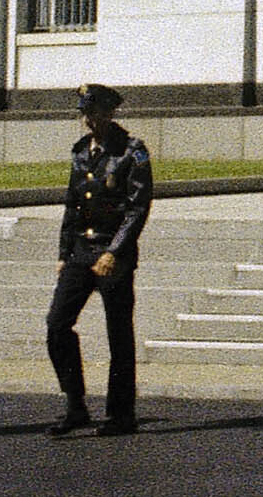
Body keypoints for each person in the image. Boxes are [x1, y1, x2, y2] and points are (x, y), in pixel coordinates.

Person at [46, 82, 152, 436]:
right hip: (81, 250)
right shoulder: (80, 152)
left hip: (113, 255)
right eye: (85, 113)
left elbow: (137, 209)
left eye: (95, 112)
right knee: (57, 325)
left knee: (118, 334)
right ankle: (75, 404)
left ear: (110, 112)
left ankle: (121, 414)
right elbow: (72, 205)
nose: (89, 120)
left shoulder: (132, 152)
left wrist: (114, 252)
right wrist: (64, 253)